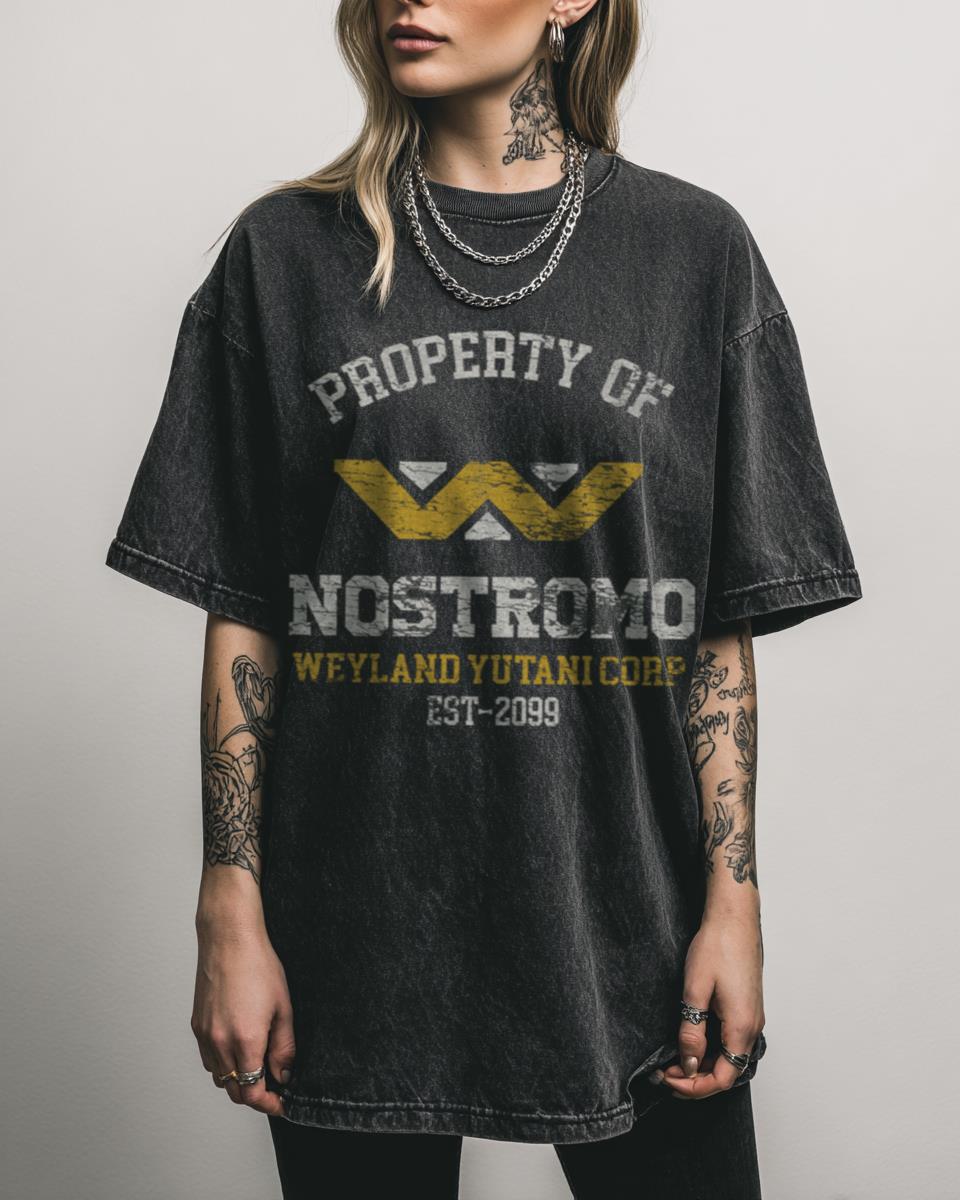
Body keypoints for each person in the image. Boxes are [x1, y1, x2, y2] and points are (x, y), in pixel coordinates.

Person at [104, 1, 863, 1196]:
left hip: (630, 919)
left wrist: (735, 902)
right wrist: (229, 905)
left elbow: (716, 628)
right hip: (352, 926)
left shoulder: (693, 252)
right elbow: (244, 606)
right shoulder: (285, 255)